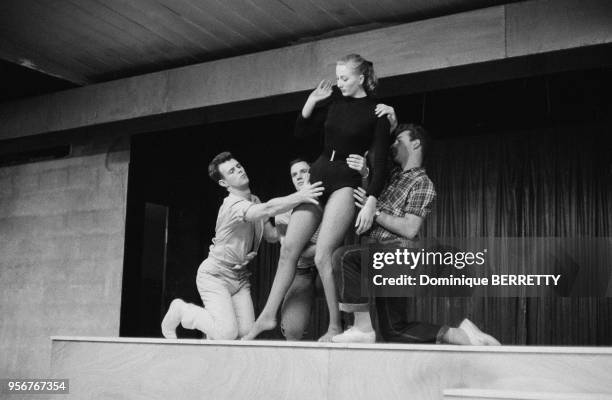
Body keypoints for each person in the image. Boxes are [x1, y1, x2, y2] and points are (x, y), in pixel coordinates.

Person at [243, 54, 392, 341]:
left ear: (361, 78)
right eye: (338, 78)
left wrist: (371, 197)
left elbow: (382, 162)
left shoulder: (377, 112)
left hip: (346, 181)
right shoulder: (335, 101)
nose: (340, 83)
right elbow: (301, 130)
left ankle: (335, 326)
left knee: (324, 254)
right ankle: (267, 316)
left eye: (345, 78)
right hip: (320, 172)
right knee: (289, 251)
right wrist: (312, 101)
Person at [332, 124, 500, 345]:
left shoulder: (422, 182)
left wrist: (376, 212)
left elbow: (410, 228)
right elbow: (370, 190)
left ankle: (362, 328)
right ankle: (461, 334)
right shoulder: (392, 177)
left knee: (344, 258)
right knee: (394, 330)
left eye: (398, 140)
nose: (393, 145)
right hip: (383, 256)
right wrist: (365, 175)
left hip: (398, 254)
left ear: (415, 143)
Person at [161, 151, 323, 340]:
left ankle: (213, 332)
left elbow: (270, 235)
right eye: (232, 171)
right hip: (216, 275)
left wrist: (288, 236)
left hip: (240, 277)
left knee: (246, 334)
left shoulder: (253, 200)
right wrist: (300, 196)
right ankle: (182, 310)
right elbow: (268, 209)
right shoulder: (232, 205)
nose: (239, 170)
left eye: (238, 166)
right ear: (224, 183)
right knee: (227, 333)